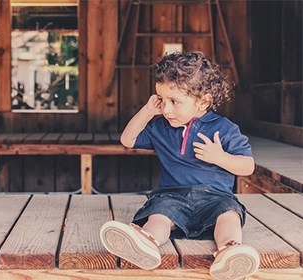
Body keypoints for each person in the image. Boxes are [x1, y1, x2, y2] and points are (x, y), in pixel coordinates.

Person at [100, 51, 260, 280]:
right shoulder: (162, 128)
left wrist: (220, 157)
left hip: (215, 198)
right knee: (160, 215)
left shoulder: (225, 129)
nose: (165, 109)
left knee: (229, 214)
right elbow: (128, 140)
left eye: (174, 102)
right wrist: (147, 111)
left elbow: (248, 166)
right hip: (173, 197)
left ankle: (229, 251)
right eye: (162, 100)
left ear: (203, 102)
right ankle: (146, 243)